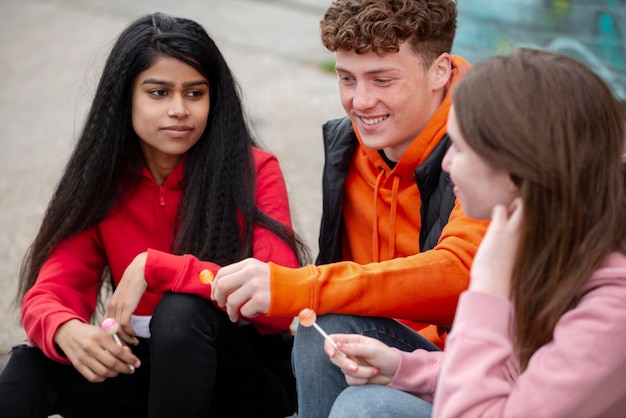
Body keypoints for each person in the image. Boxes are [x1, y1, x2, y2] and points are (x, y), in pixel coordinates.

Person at [0, 12, 307, 418]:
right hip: (150, 375)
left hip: (244, 378)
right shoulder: (105, 183)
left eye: (194, 93)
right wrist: (64, 328)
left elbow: (280, 295)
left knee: (181, 313)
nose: (179, 109)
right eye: (159, 93)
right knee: (30, 365)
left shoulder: (253, 169)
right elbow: (49, 291)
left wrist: (159, 267)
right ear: (124, 97)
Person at [211, 0, 487, 416]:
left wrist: (300, 285)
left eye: (382, 80)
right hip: (387, 359)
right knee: (323, 326)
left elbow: (462, 276)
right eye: (346, 78)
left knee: (365, 405)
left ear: (440, 71)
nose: (360, 101)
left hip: (478, 378)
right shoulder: (348, 146)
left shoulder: (488, 142)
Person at [325, 47, 626, 418]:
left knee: (368, 407)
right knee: (331, 326)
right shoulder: (553, 242)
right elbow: (518, 376)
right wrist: (405, 368)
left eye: (462, 149)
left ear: (517, 168)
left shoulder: (614, 310)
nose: (448, 163)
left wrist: (487, 289)